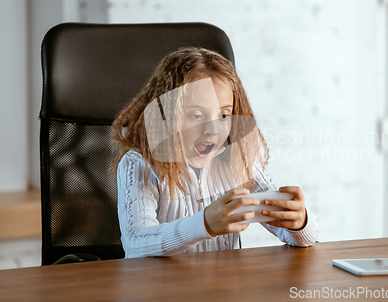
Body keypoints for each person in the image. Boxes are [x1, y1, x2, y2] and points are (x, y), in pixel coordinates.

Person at [110, 47, 319, 258]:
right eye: (197, 115)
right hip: (161, 287)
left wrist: (299, 223)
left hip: (220, 286)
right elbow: (136, 243)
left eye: (224, 115)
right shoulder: (139, 164)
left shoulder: (238, 161)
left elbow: (305, 238)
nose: (212, 130)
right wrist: (204, 224)